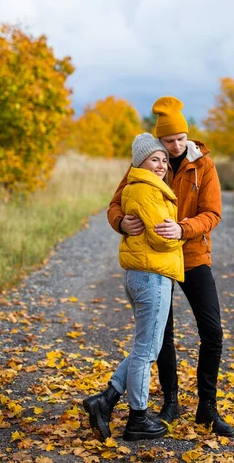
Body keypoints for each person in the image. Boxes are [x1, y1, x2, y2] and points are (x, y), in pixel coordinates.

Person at [106, 96, 234, 437]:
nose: (174, 146)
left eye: (180, 139)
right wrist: (120, 223)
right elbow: (116, 202)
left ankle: (207, 408)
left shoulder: (203, 165)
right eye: (168, 141)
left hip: (192, 256)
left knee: (212, 332)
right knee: (162, 334)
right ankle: (171, 401)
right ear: (158, 140)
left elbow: (213, 213)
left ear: (187, 136)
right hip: (157, 260)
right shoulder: (147, 160)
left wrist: (184, 228)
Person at [83, 133, 185, 442]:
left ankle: (107, 399)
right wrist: (182, 234)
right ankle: (138, 418)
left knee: (146, 345)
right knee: (146, 350)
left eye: (164, 160)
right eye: (155, 159)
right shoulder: (146, 190)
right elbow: (160, 236)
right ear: (139, 161)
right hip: (151, 275)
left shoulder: (142, 188)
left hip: (144, 274)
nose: (161, 165)